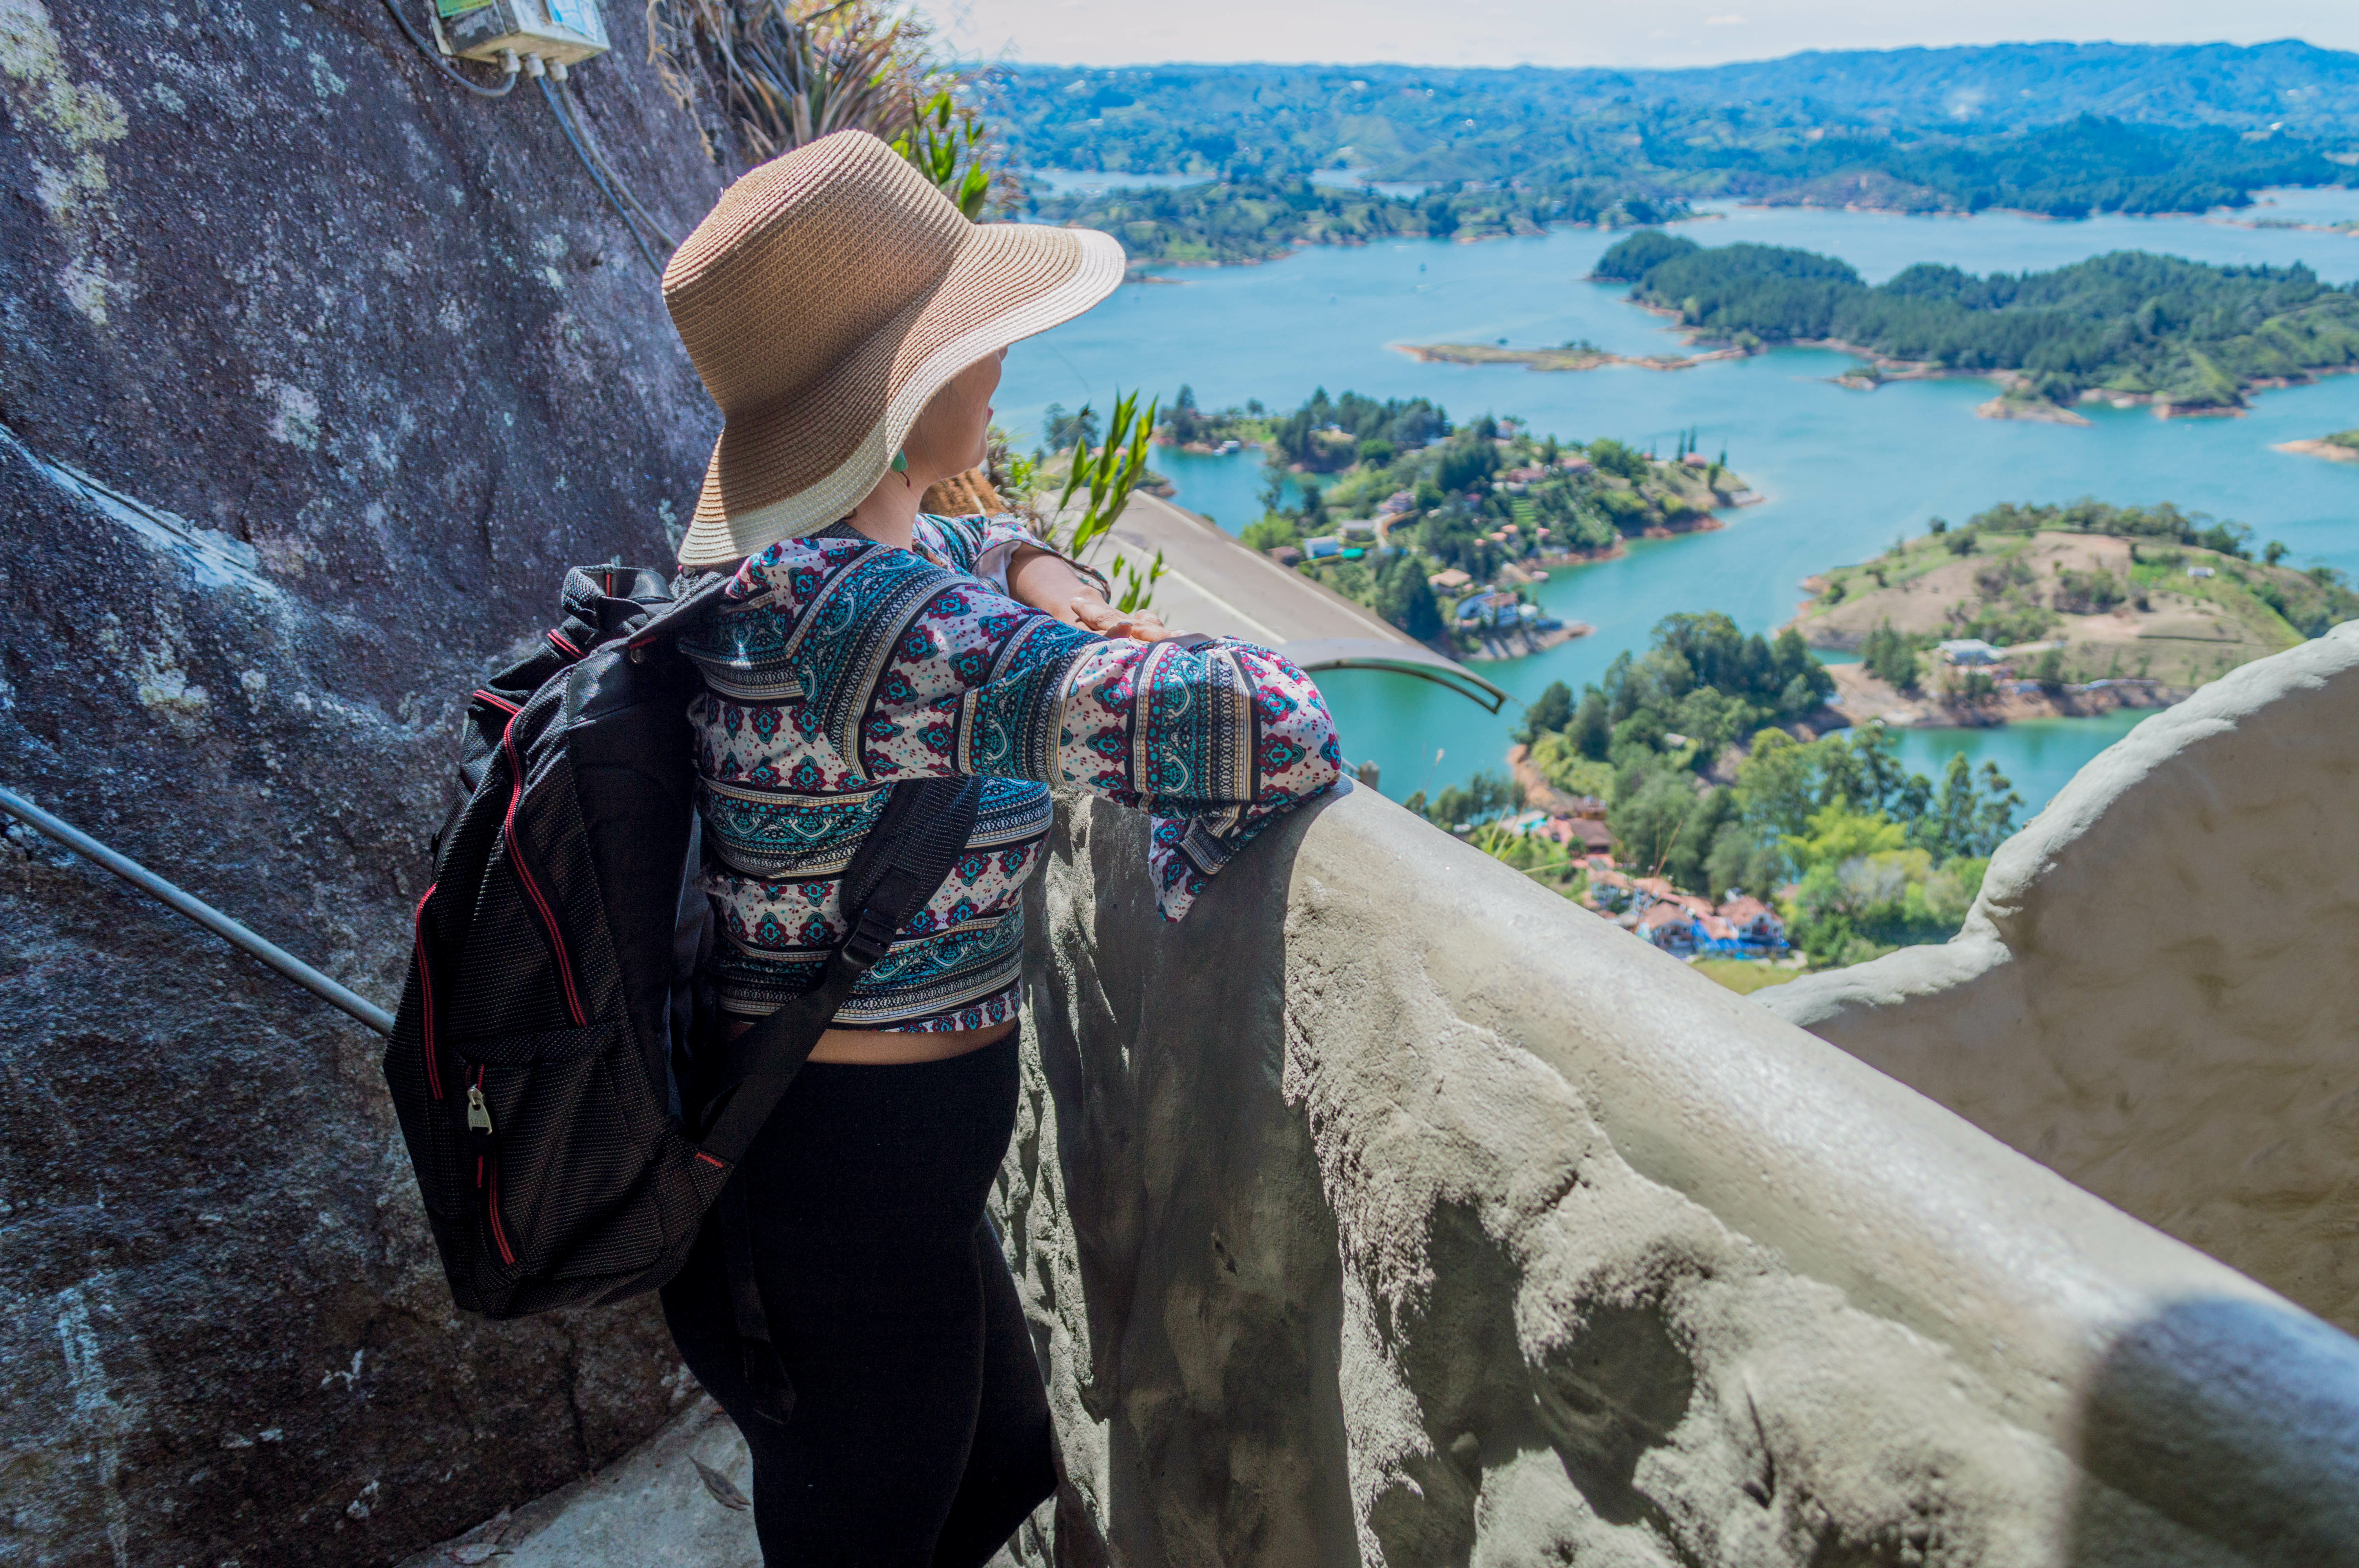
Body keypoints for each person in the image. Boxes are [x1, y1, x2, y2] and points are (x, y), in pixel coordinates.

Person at [652, 131, 1341, 1565]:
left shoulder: (812, 572)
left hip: (846, 1167)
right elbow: (1259, 726)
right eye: (970, 342)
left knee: (992, 1472)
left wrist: (1036, 563)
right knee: (880, 1535)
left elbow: (954, 559)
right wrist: (1109, 628)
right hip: (842, 1195)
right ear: (895, 403)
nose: (1001, 366)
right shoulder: (874, 633)